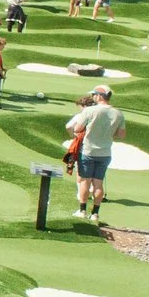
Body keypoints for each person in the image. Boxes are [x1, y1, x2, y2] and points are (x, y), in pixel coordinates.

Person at [64, 86, 127, 221]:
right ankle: (95, 214)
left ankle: (82, 210)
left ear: (99, 96)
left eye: (94, 95)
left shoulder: (89, 110)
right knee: (98, 183)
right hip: (105, 153)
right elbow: (121, 134)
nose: (93, 97)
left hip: (88, 151)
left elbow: (77, 128)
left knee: (85, 182)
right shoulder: (118, 113)